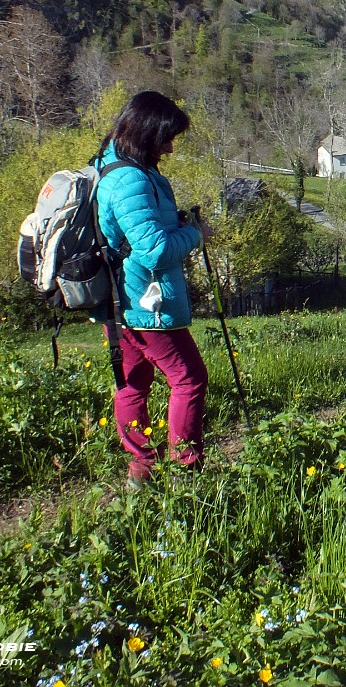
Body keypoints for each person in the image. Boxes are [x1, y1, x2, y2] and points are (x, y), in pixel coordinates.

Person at [94, 91, 213, 484]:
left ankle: (141, 471)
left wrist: (175, 222)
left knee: (133, 384)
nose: (171, 147)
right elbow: (154, 250)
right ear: (147, 133)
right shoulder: (130, 178)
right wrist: (195, 234)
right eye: (166, 137)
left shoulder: (115, 166)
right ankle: (186, 469)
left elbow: (139, 233)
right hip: (148, 303)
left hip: (120, 302)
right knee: (190, 379)